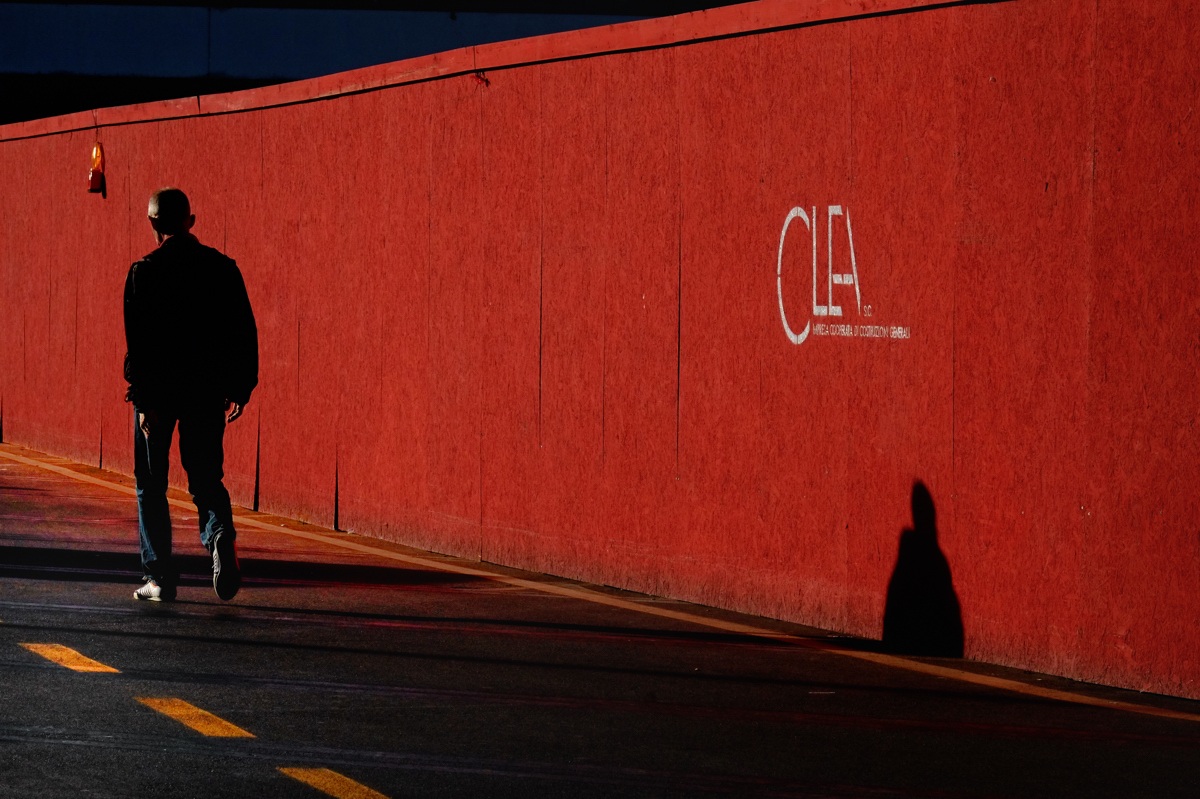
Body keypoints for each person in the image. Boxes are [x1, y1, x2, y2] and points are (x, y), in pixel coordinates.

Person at [123, 187, 258, 602]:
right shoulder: (222, 268)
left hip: (159, 394)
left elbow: (138, 344)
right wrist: (240, 387)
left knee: (151, 483)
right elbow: (243, 331)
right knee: (205, 478)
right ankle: (218, 535)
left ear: (152, 224)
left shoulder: (143, 272)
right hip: (205, 390)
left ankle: (159, 577)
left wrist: (143, 402)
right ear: (190, 221)